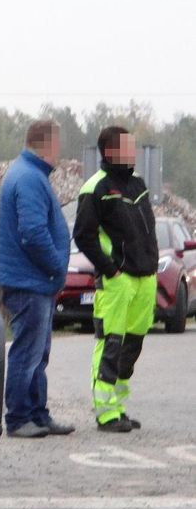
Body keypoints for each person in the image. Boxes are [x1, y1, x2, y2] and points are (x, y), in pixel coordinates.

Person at [73, 126, 157, 432]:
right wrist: (110, 270)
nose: (133, 152)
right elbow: (83, 236)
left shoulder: (138, 184)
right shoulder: (95, 188)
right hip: (117, 282)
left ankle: (119, 407)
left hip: (144, 279)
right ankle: (105, 413)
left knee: (132, 345)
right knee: (111, 343)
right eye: (127, 147)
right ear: (110, 151)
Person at [0, 120, 74, 438]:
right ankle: (18, 418)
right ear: (48, 144)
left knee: (37, 353)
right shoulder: (28, 178)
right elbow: (33, 233)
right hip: (29, 283)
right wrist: (57, 267)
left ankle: (38, 415)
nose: (60, 152)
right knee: (27, 353)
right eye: (58, 145)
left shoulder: (30, 174)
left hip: (34, 283)